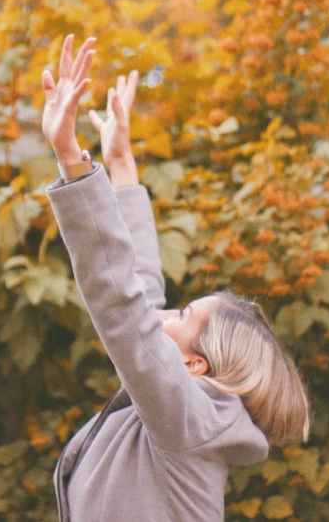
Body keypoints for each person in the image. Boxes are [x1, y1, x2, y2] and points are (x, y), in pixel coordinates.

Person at [41, 33, 311, 522]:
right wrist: (120, 165)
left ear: (193, 365)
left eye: (181, 317)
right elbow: (138, 293)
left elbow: (124, 307)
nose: (160, 316)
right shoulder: (186, 419)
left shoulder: (187, 422)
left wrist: (71, 160)